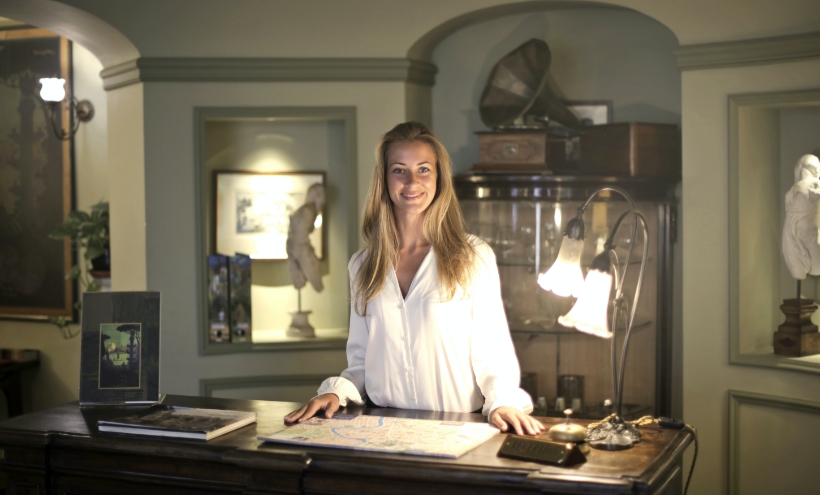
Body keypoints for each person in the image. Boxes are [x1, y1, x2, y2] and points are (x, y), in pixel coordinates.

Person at [285, 122, 543, 436]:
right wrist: (336, 392)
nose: (412, 181)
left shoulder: (473, 256)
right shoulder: (362, 265)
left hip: (459, 430)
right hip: (382, 430)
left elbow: (492, 350)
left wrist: (502, 402)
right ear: (384, 179)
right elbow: (361, 360)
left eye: (423, 169)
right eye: (399, 170)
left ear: (438, 177)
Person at [783, 154, 820, 280]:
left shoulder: (814, 184)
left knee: (814, 267)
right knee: (799, 267)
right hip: (792, 226)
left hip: (803, 227)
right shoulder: (797, 187)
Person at [286, 183, 325, 292]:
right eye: (322, 195)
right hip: (300, 247)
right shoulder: (309, 210)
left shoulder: (306, 210)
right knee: (316, 282)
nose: (324, 200)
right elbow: (302, 232)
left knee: (304, 277)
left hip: (293, 246)